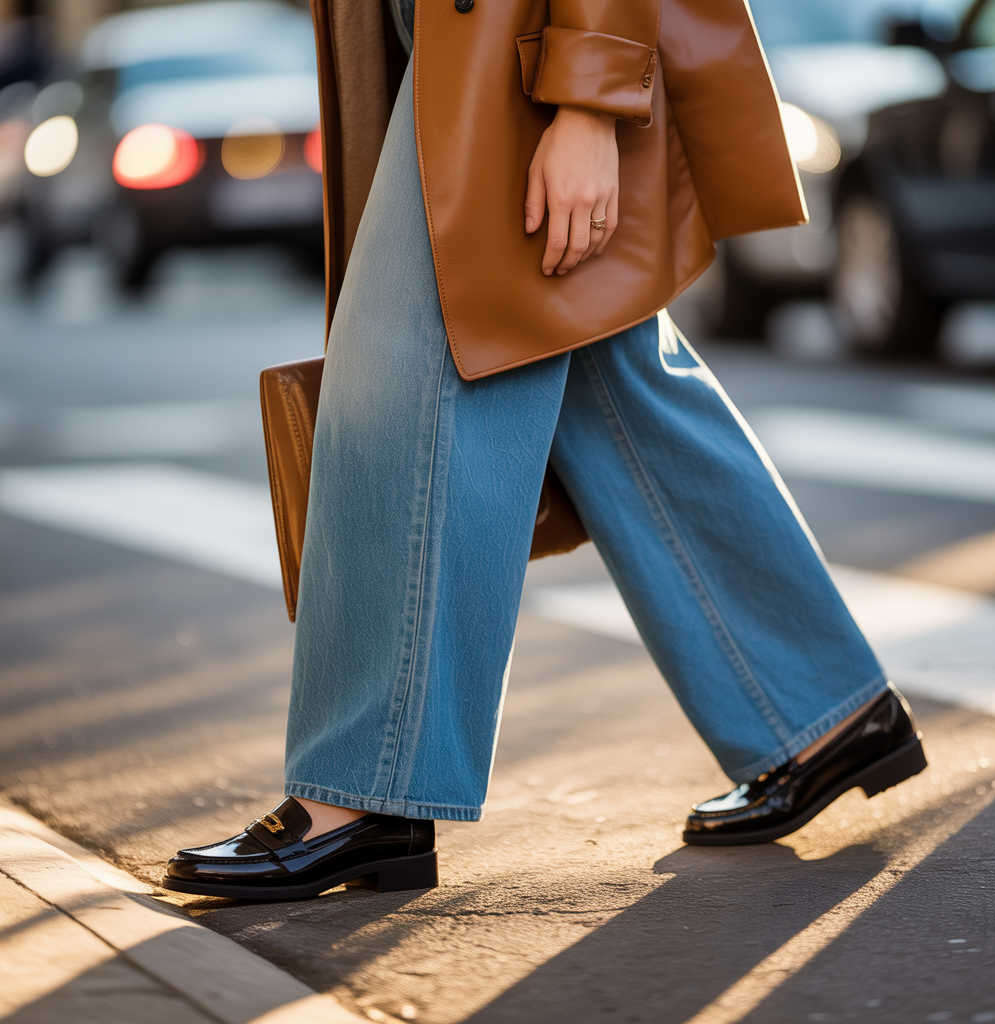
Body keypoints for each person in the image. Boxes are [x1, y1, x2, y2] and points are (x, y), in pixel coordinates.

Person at [162, 0, 927, 901]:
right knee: (600, 360)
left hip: (510, 40)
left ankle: (363, 792)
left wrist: (588, 103)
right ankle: (816, 708)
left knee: (408, 371)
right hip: (470, 37)